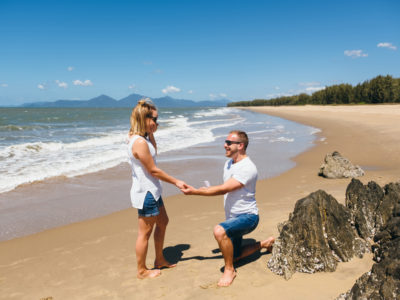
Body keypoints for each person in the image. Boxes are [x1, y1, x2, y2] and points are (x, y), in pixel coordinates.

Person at [181, 130, 275, 287]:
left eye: (228, 143)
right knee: (234, 255)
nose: (225, 145)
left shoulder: (247, 168)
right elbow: (224, 187)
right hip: (232, 218)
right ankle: (265, 244)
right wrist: (203, 189)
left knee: (219, 231)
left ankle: (229, 270)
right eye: (225, 142)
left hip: (248, 217)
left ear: (240, 145)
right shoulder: (229, 163)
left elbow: (224, 189)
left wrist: (195, 192)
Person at [128, 98, 187, 279]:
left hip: (153, 191)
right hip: (146, 193)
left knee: (163, 221)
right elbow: (153, 169)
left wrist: (151, 132)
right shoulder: (138, 142)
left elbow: (154, 152)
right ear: (143, 118)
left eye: (157, 120)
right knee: (144, 233)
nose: (156, 123)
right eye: (153, 119)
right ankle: (141, 270)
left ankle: (159, 259)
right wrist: (176, 182)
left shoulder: (142, 138)